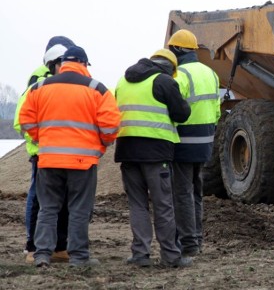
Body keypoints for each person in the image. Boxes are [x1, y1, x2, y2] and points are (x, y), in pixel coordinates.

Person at [18, 46, 121, 268]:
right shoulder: (97, 89)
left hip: (48, 159)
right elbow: (111, 125)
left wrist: (40, 138)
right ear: (84, 64)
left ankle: (42, 254)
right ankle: (78, 257)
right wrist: (102, 143)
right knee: (79, 210)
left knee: (48, 209)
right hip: (83, 162)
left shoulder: (40, 87)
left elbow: (25, 119)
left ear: (62, 64)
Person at [114, 49, 192, 268]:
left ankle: (140, 254)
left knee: (137, 205)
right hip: (157, 153)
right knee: (163, 205)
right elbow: (182, 114)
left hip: (127, 152)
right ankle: (170, 256)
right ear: (171, 68)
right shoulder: (165, 82)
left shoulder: (123, 81)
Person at [14, 36, 76, 263]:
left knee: (56, 201)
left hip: (57, 151)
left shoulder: (59, 79)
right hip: (42, 152)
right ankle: (32, 245)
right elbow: (22, 120)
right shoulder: (39, 80)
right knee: (39, 199)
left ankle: (58, 246)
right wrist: (41, 141)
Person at [167, 29, 221, 256]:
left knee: (181, 193)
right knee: (196, 191)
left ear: (177, 49)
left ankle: (188, 243)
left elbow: (175, 110)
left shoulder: (180, 75)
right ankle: (196, 239)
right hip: (205, 141)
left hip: (184, 141)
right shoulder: (211, 73)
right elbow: (217, 110)